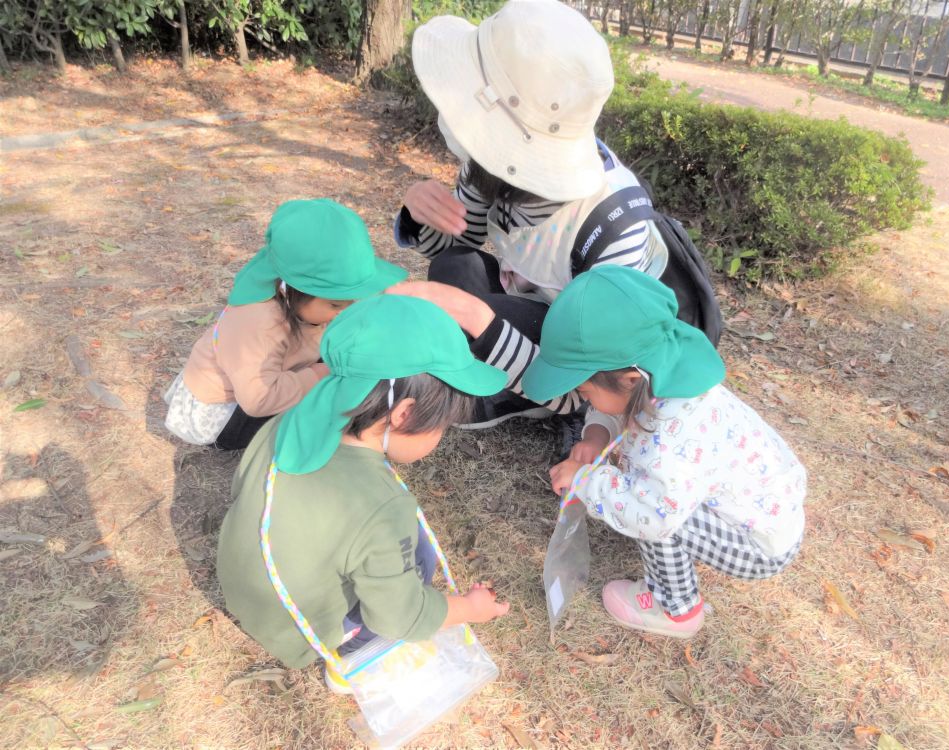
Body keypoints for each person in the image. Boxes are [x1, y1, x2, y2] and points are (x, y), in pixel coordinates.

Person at [389, 0, 670, 429]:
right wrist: (420, 213)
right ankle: (487, 367)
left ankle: (524, 396)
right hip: (520, 299)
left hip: (574, 349)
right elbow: (461, 243)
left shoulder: (614, 226)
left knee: (463, 342)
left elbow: (604, 368)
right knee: (452, 267)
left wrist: (475, 319)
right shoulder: (490, 161)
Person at [216, 294, 511, 693]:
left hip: (246, 591)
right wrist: (469, 609)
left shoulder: (291, 421)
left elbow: (242, 491)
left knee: (407, 549)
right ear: (404, 414)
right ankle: (350, 663)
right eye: (443, 425)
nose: (441, 436)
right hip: (297, 629)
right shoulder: (383, 507)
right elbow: (400, 617)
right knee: (414, 564)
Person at [522, 266, 806, 638]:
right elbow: (617, 407)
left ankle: (674, 608)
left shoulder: (670, 439)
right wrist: (594, 436)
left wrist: (587, 480)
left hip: (759, 545)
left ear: (629, 379)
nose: (582, 399)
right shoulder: (662, 374)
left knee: (649, 508)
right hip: (767, 508)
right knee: (649, 494)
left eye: (585, 392)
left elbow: (654, 515)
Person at [164, 198, 405, 450]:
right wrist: (319, 374)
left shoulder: (301, 302)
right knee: (325, 401)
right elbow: (258, 399)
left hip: (269, 378)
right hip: (227, 414)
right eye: (335, 305)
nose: (344, 311)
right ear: (295, 291)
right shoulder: (258, 323)